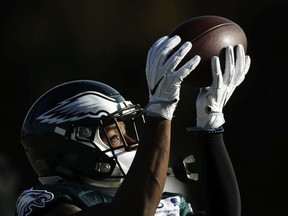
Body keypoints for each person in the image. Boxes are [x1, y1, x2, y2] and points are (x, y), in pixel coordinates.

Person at [14, 35, 250, 216]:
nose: (132, 143)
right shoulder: (45, 201)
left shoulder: (165, 201)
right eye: (115, 137)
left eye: (126, 132)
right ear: (72, 148)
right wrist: (160, 109)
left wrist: (211, 125)